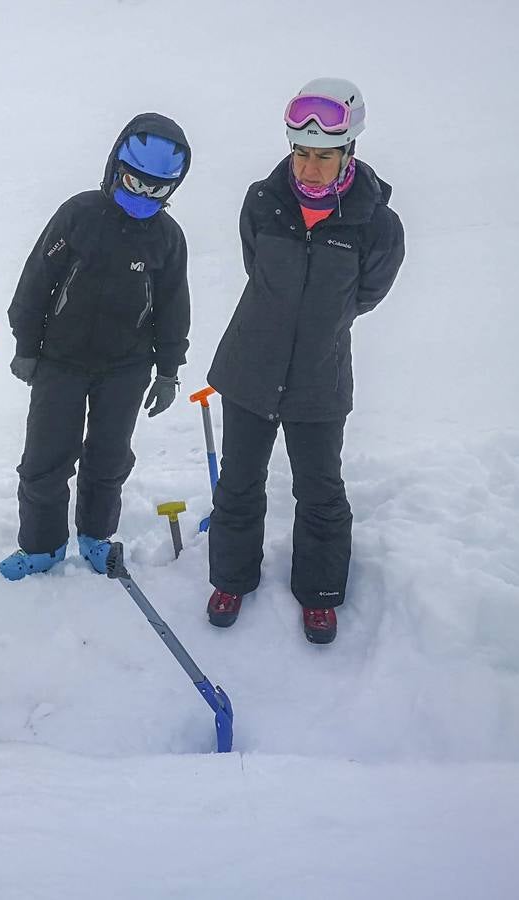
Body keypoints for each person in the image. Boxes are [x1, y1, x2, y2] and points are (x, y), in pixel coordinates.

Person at [204, 78, 405, 644]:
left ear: (349, 153)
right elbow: (256, 270)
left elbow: (364, 296)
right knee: (239, 484)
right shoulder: (263, 202)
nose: (309, 168)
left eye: (323, 156)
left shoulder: (376, 224)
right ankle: (230, 579)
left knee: (319, 489)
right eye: (300, 153)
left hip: (320, 377)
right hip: (249, 369)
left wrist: (314, 330)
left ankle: (319, 593)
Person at [0, 114, 192, 580]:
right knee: (46, 457)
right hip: (60, 361)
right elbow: (36, 281)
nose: (144, 196)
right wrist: (27, 345)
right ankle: (42, 547)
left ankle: (95, 537)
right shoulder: (79, 215)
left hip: (126, 367)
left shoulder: (167, 238)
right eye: (135, 182)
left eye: (157, 189)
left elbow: (173, 307)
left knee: (109, 457)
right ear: (115, 167)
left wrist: (168, 370)